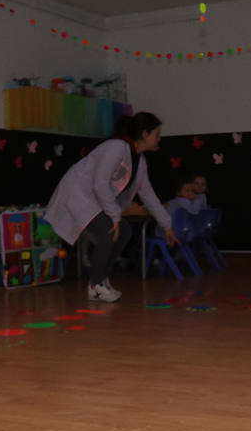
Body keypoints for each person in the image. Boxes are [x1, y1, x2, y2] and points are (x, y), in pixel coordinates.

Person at [44, 112, 179, 302]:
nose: (159, 138)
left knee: (124, 231)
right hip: (76, 195)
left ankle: (101, 279)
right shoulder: (116, 147)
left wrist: (167, 225)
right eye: (156, 133)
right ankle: (95, 286)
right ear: (145, 134)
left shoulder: (139, 162)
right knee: (109, 230)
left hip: (92, 199)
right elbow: (100, 183)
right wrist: (114, 215)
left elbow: (147, 194)